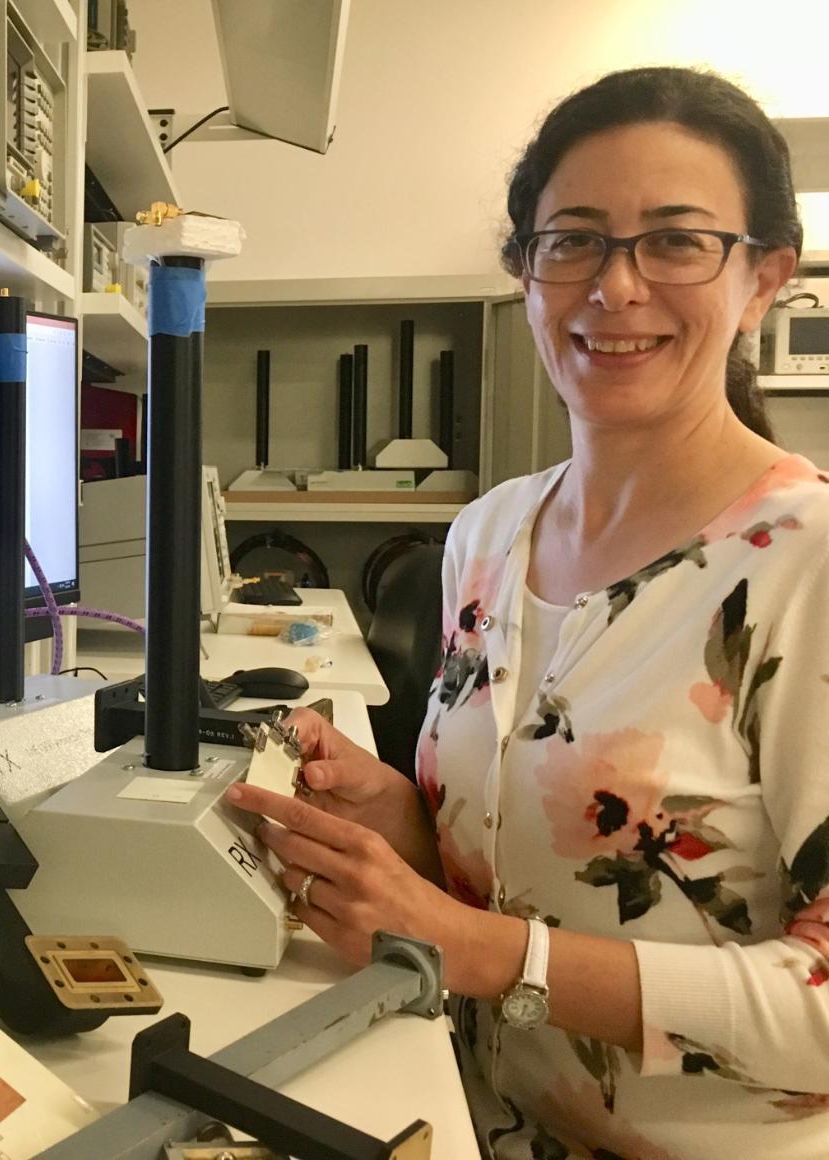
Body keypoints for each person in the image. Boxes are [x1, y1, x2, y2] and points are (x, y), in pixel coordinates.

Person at [226, 66, 829, 1158]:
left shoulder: (805, 563)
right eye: (574, 240)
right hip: (471, 1119)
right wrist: (397, 820)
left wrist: (486, 953)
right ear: (523, 271)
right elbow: (501, 876)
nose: (616, 285)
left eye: (676, 240)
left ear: (763, 279)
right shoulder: (487, 534)